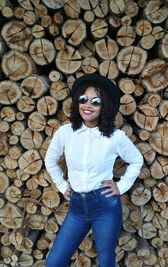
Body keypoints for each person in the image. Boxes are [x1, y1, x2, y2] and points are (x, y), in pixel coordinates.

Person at [44, 74, 143, 267]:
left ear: (104, 106)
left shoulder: (115, 137)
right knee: (54, 262)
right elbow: (50, 160)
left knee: (106, 262)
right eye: (83, 99)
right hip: (77, 208)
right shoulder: (65, 133)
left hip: (105, 206)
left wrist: (121, 187)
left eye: (95, 101)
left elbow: (136, 160)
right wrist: (63, 186)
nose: (87, 105)